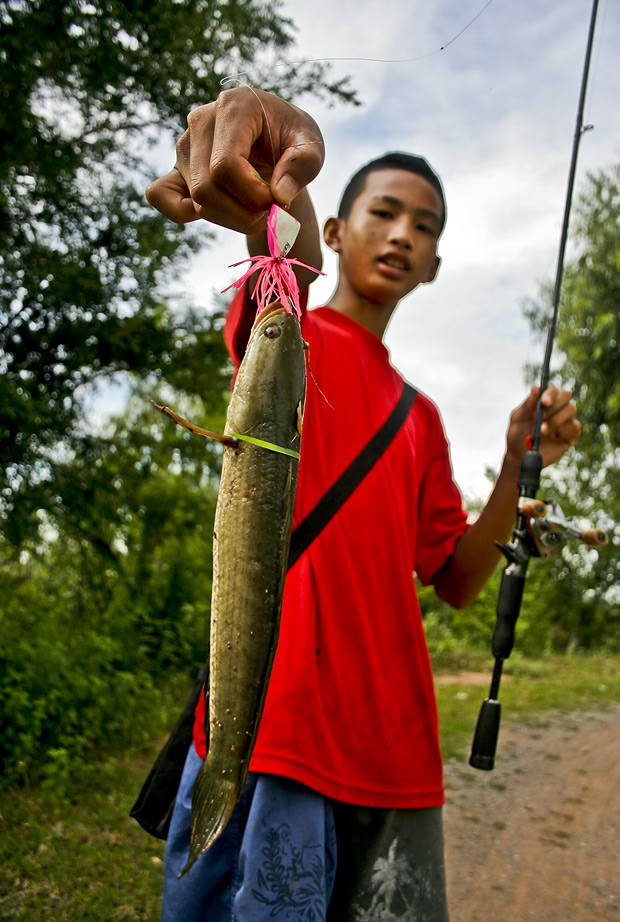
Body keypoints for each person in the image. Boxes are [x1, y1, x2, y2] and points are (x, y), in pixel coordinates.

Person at [146, 89, 581, 922]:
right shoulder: (291, 336)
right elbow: (287, 257)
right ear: (339, 233)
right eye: (383, 212)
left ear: (437, 264)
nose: (403, 235)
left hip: (396, 752)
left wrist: (518, 467)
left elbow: (454, 576)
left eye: (424, 227)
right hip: (282, 735)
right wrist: (280, 164)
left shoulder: (422, 417)